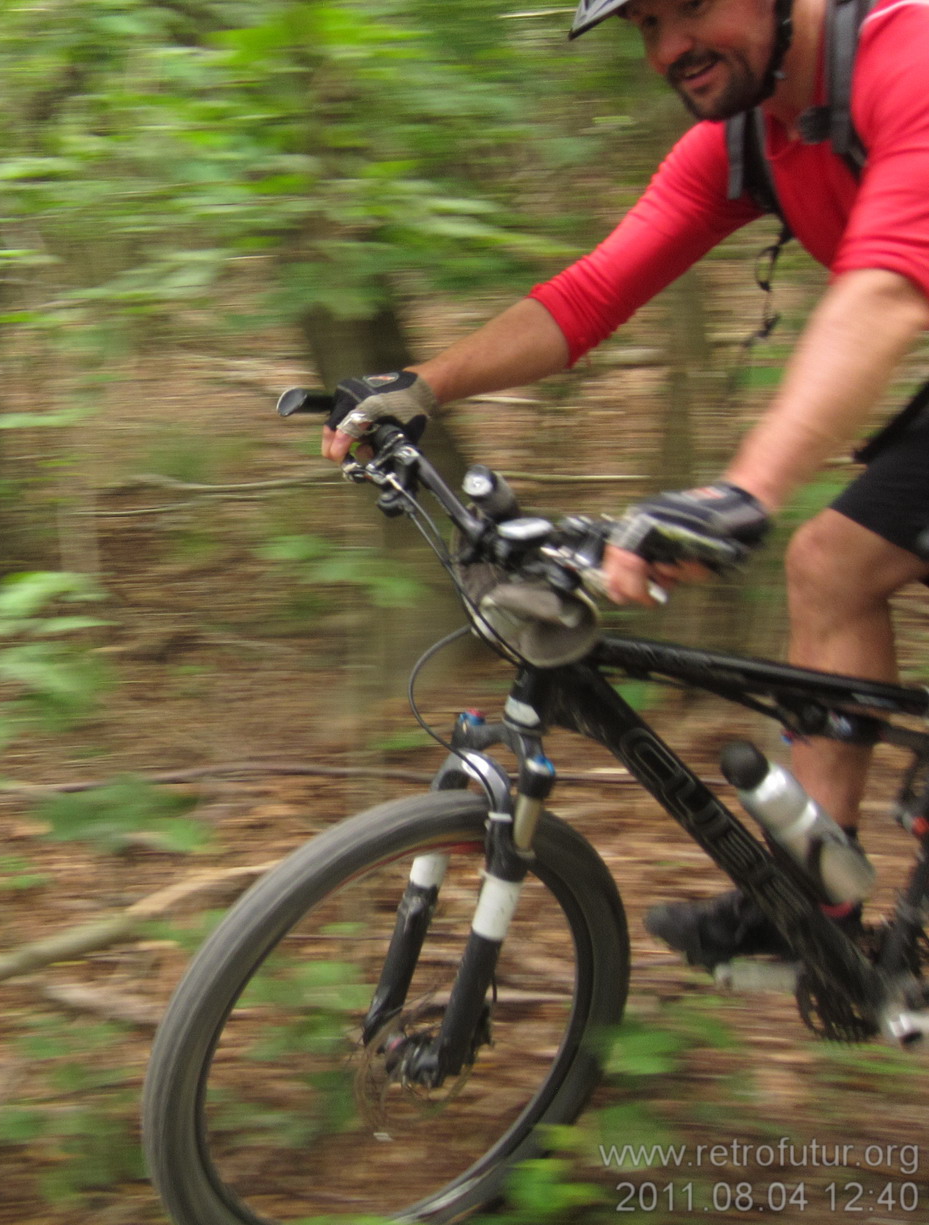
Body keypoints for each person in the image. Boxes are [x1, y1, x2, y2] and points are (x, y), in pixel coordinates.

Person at [320, 0, 929, 969]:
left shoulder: (909, 55)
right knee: (831, 565)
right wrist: (423, 386)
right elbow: (592, 293)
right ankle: (809, 902)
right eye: (645, 25)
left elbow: (888, 285)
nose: (670, 46)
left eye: (690, 5)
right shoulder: (746, 139)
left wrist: (745, 490)